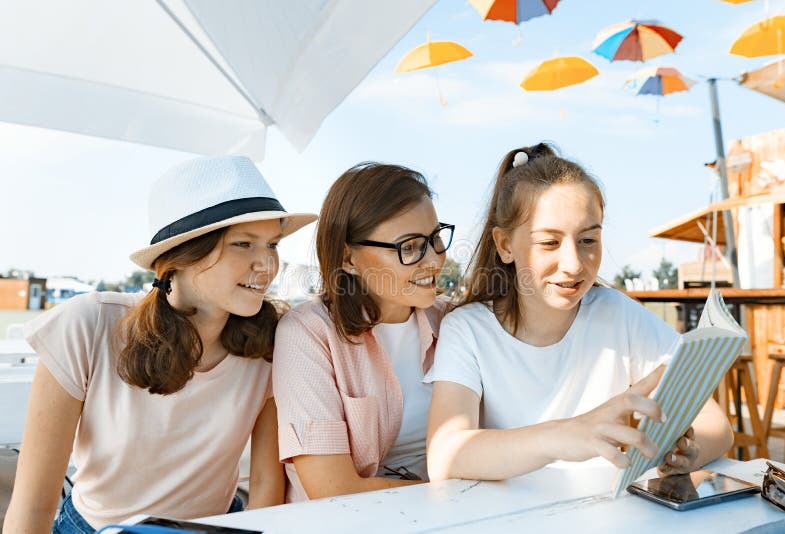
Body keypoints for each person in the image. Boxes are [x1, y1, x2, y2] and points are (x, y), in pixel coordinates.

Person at [3, 156, 317, 533]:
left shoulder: (273, 343)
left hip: (215, 526)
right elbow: (33, 506)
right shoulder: (89, 324)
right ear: (181, 257)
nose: (266, 264)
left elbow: (267, 487)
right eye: (243, 244)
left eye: (272, 244)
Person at [425, 143, 733, 482]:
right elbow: (444, 457)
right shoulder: (468, 330)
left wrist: (688, 452)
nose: (573, 265)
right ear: (505, 245)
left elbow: (715, 423)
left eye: (588, 240)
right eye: (549, 243)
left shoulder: (618, 314)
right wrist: (562, 436)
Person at [272, 162, 453, 501]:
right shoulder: (308, 334)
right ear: (348, 258)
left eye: (436, 238)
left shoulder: (453, 322)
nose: (434, 260)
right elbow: (333, 489)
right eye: (410, 246)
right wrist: (456, 494)